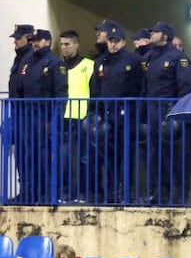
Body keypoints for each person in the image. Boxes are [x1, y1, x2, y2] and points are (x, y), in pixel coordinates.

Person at [142, 21, 191, 204]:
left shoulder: (177, 57)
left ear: (164, 35)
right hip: (153, 111)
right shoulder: (149, 57)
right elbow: (145, 86)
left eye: (154, 32)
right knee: (156, 155)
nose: (151, 35)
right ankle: (160, 192)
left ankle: (178, 194)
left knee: (176, 156)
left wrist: (177, 111)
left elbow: (185, 86)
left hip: (170, 111)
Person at [91, 24, 144, 203]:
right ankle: (112, 191)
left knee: (126, 155)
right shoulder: (101, 62)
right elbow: (95, 88)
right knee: (108, 155)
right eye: (110, 41)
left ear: (123, 42)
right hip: (107, 115)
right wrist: (98, 111)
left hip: (126, 116)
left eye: (116, 41)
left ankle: (125, 191)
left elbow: (141, 87)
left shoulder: (133, 61)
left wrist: (137, 112)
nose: (113, 45)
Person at [15, 29, 68, 204]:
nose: (35, 43)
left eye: (39, 40)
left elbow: (61, 94)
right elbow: (20, 89)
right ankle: (28, 192)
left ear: (48, 42)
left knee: (44, 157)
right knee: (27, 156)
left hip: (44, 116)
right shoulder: (27, 61)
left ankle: (46, 193)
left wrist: (55, 120)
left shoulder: (55, 63)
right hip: (27, 116)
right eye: (33, 40)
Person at [59, 30, 94, 203]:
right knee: (64, 158)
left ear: (77, 45)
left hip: (83, 117)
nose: (64, 48)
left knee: (84, 158)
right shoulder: (58, 66)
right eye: (62, 44)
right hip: (64, 118)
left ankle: (83, 192)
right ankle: (65, 192)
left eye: (68, 44)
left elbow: (94, 91)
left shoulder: (88, 65)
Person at [8, 24, 34, 203]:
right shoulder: (19, 59)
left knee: (30, 155)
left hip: (29, 116)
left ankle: (32, 191)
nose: (16, 43)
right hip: (18, 114)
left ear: (28, 38)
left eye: (19, 39)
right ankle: (24, 188)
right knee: (21, 155)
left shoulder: (31, 58)